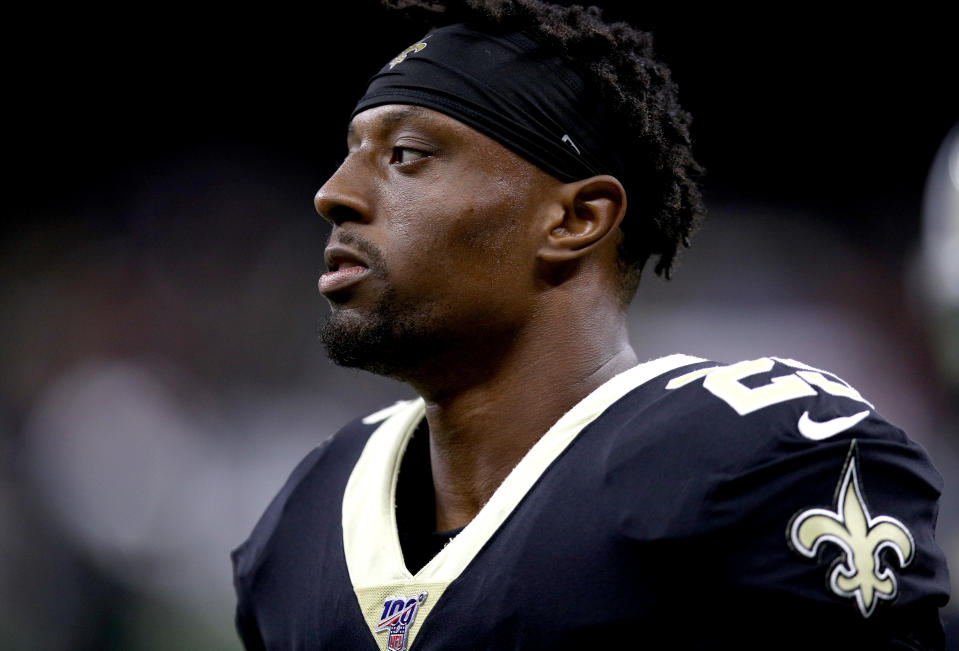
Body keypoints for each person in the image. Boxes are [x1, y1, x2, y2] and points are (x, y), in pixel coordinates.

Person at [231, 1, 951, 648]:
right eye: (349, 153)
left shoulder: (748, 464)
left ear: (575, 219)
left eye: (405, 156)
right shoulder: (311, 509)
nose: (334, 194)